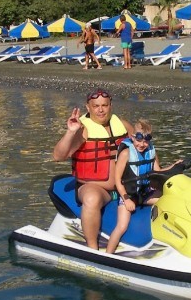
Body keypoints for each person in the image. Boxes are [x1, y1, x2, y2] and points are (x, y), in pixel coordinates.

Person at [52, 89, 133, 250]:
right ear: (88, 107)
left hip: (124, 187)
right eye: (96, 106)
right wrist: (70, 132)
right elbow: (58, 156)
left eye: (104, 105)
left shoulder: (122, 125)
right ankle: (92, 248)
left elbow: (146, 149)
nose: (100, 110)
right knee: (91, 199)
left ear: (111, 106)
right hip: (95, 187)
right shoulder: (83, 129)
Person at [106, 120, 182, 255]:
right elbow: (117, 181)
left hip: (145, 193)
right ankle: (107, 255)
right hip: (128, 196)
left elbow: (158, 172)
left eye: (146, 140)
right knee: (122, 226)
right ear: (132, 137)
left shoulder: (151, 150)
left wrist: (175, 166)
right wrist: (126, 199)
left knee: (170, 201)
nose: (142, 144)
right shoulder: (126, 154)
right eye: (139, 139)